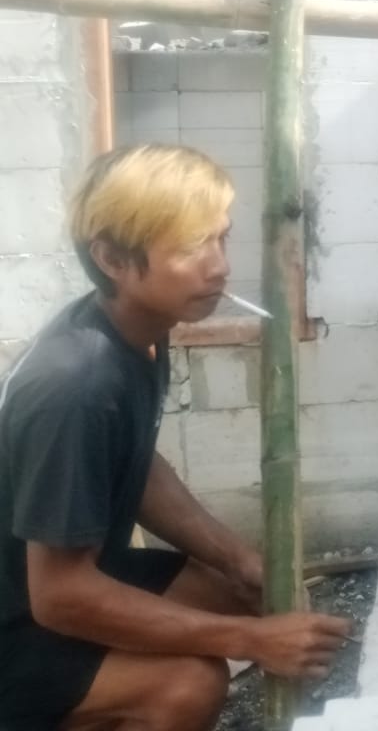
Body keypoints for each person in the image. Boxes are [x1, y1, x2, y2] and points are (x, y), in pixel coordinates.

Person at [0, 144, 352, 731]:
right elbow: (59, 595)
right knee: (187, 684)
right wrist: (251, 641)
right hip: (19, 622)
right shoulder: (75, 385)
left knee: (240, 593)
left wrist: (238, 559)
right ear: (112, 257)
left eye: (221, 238)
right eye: (191, 247)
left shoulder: (140, 331)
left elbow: (136, 466)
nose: (219, 267)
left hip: (61, 584)